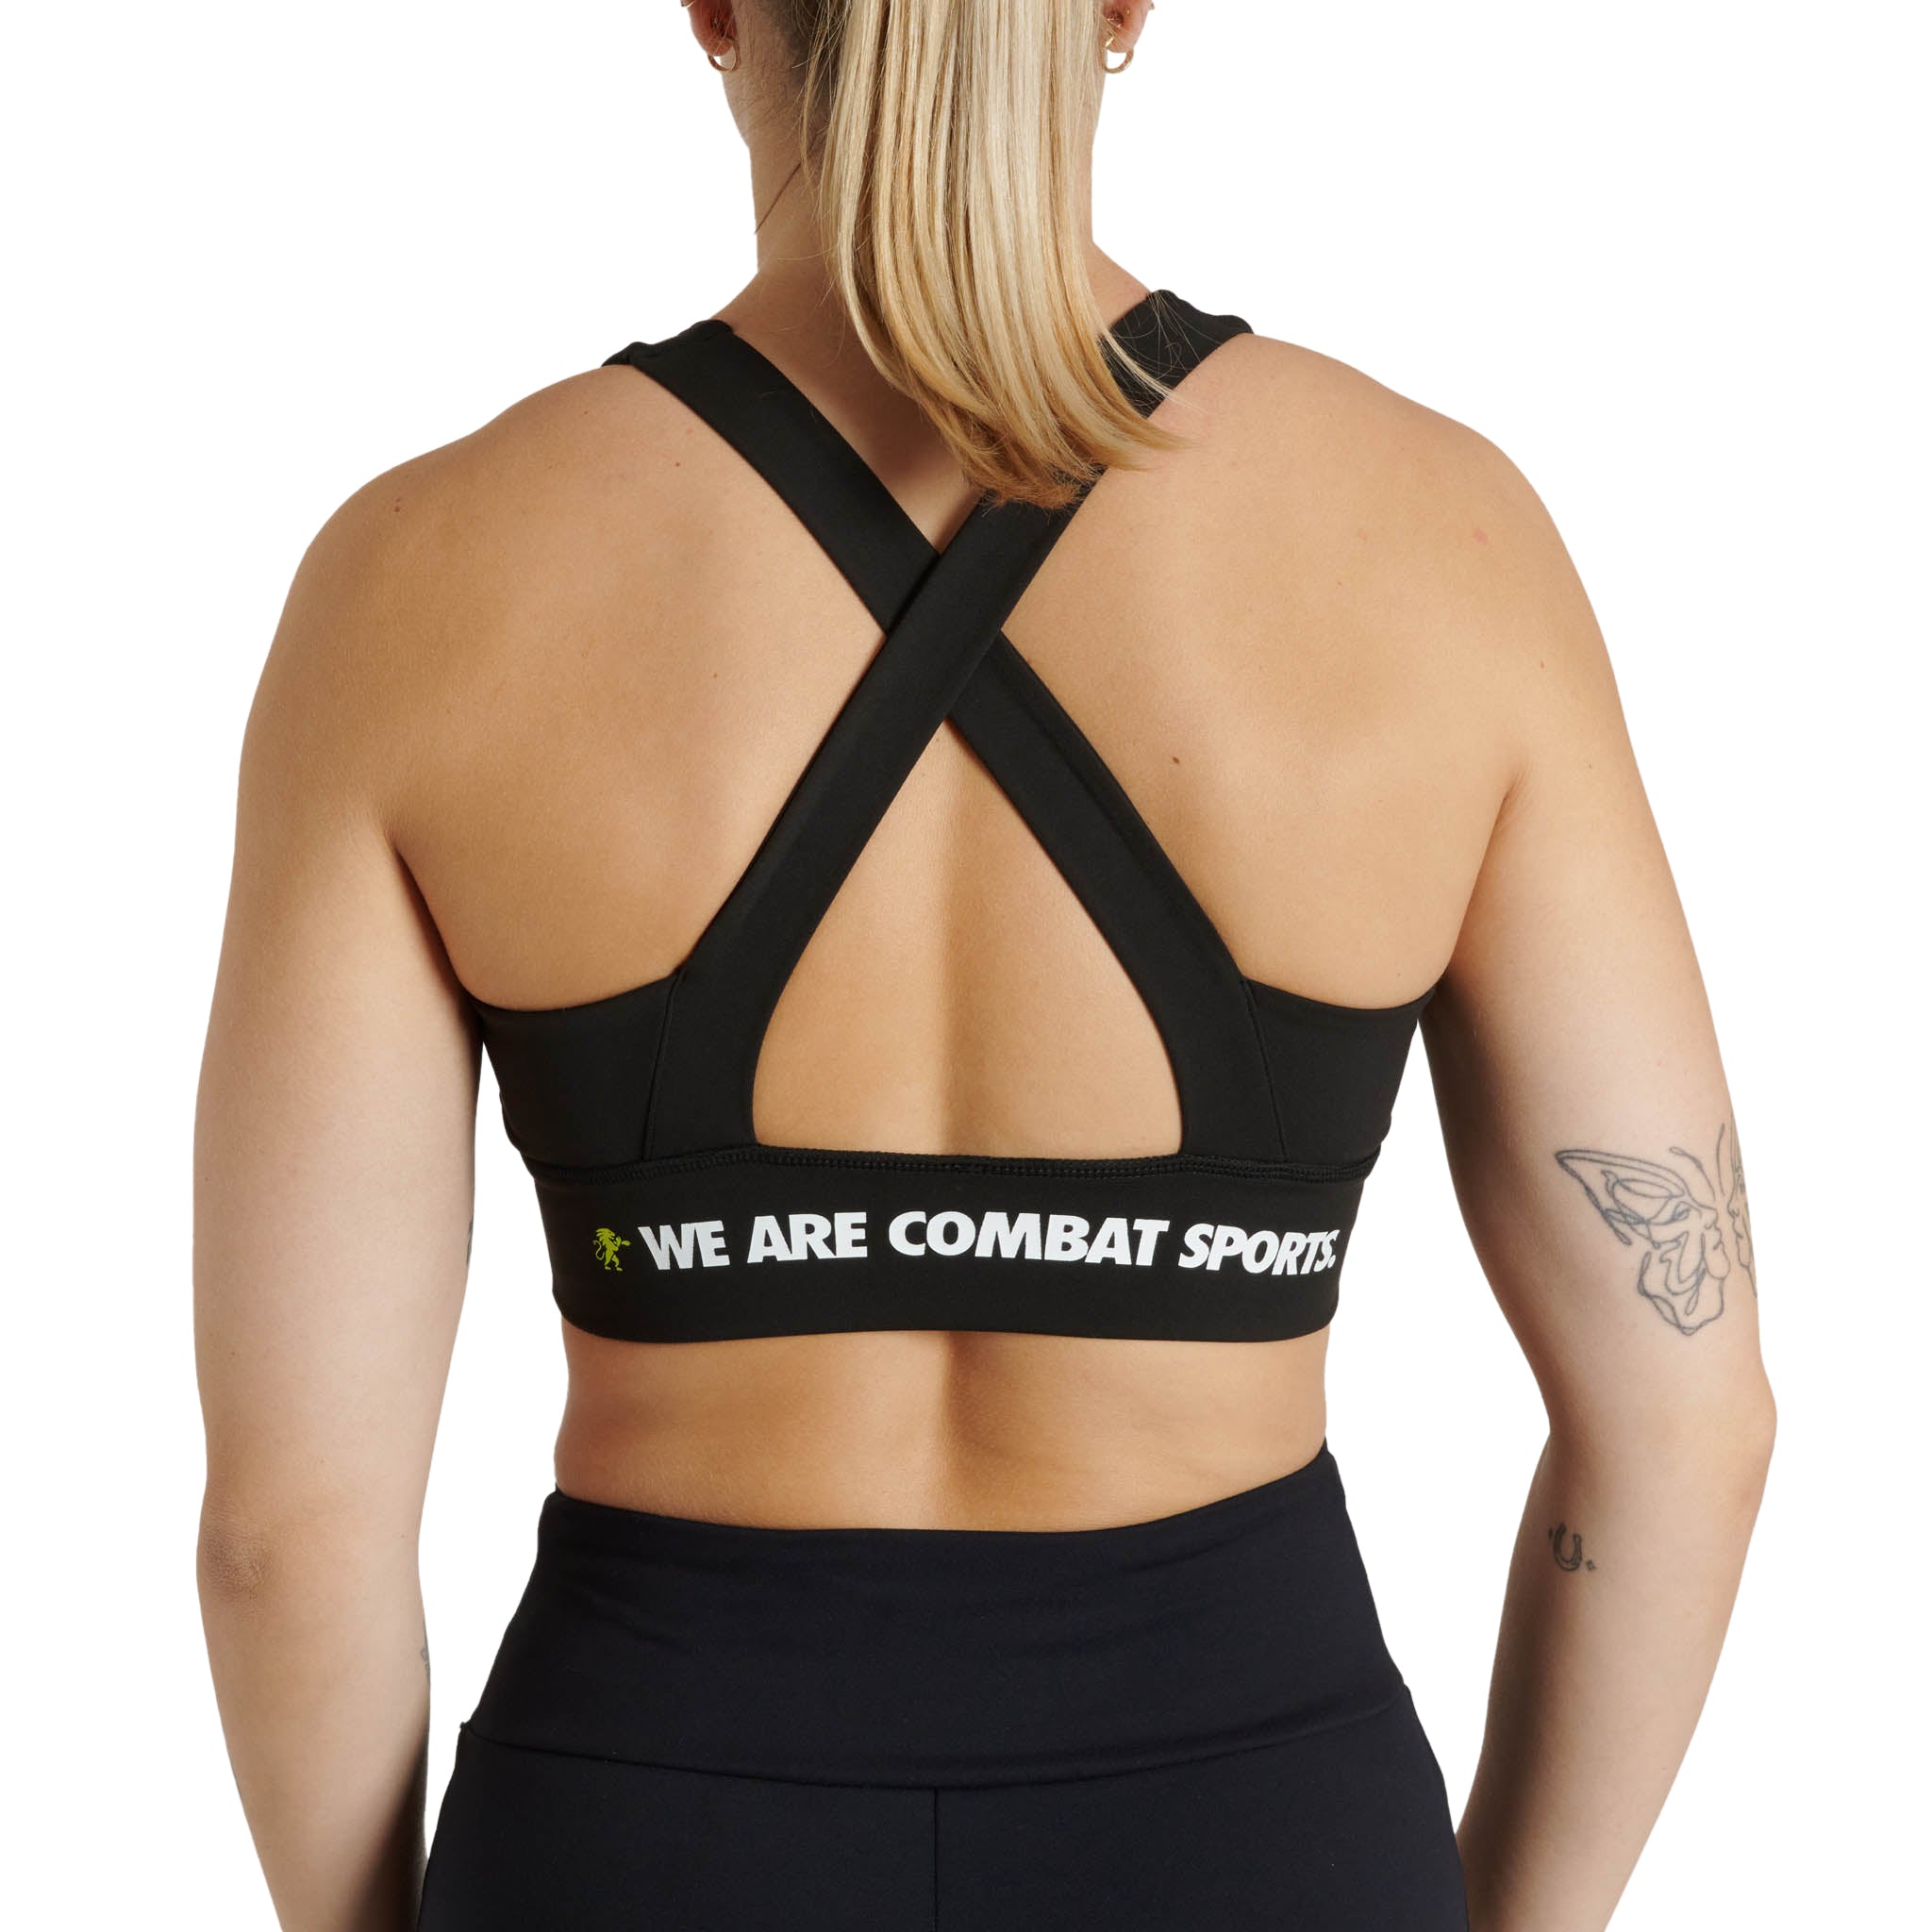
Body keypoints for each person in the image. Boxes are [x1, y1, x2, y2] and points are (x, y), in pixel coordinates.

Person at [192, 2, 1776, 1926]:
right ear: (1123, 6)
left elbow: (288, 1538)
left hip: (644, 1827)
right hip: (1254, 1832)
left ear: (712, 8)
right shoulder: (1446, 546)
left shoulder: (420, 577)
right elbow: (1685, 1422)